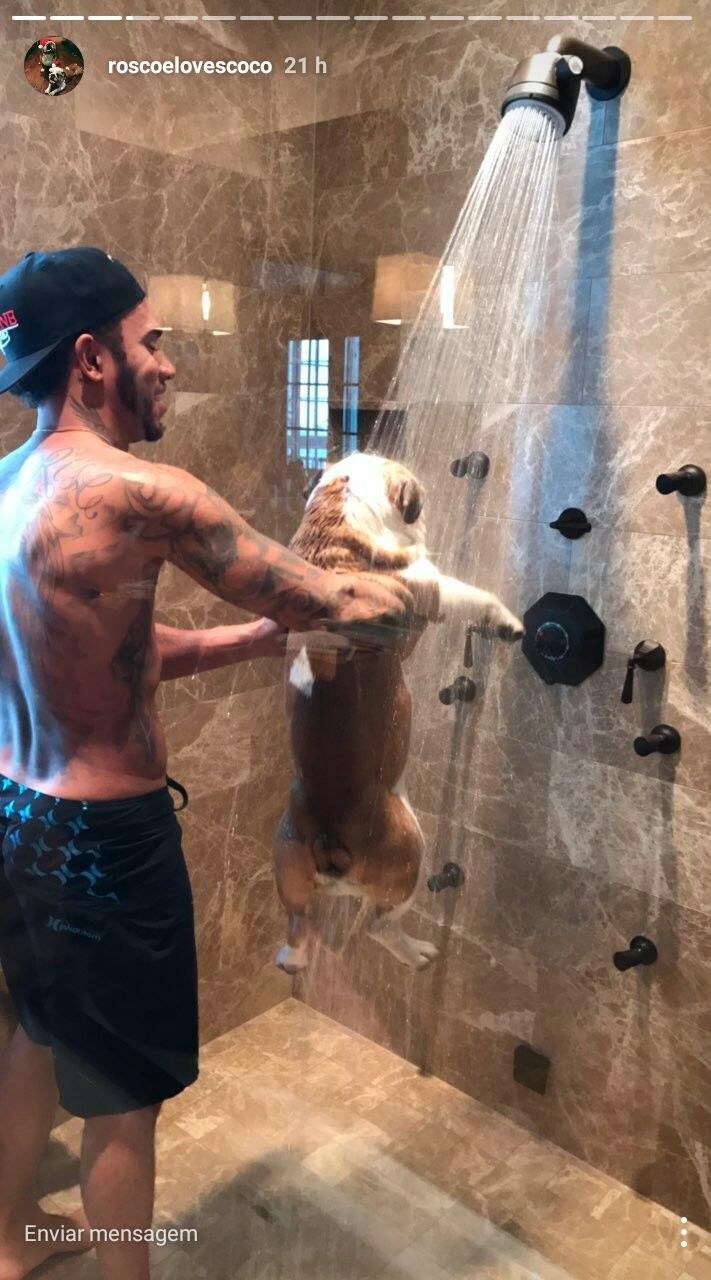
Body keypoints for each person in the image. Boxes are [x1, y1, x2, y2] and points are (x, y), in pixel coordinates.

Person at [0, 247, 415, 1280]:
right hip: (106, 843)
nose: (170, 363)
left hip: (17, 814)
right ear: (91, 358)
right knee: (122, 1106)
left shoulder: (8, 486)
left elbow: (113, 653)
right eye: (153, 341)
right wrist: (427, 590)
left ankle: (6, 1242)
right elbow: (336, 600)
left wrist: (250, 643)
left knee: (36, 1035)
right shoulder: (147, 492)